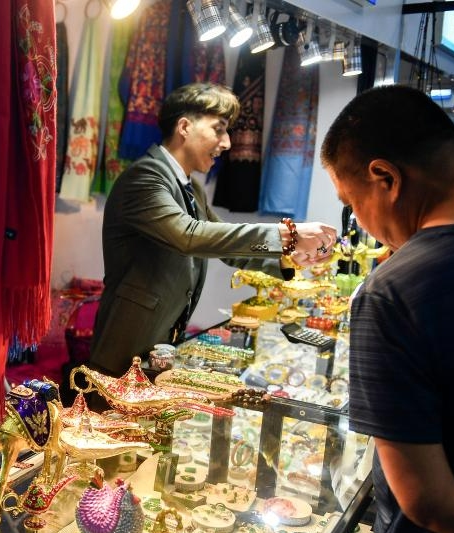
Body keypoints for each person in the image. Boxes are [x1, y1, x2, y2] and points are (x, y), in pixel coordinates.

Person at [321, 85, 454, 533]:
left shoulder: (395, 290)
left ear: (384, 177)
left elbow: (428, 501)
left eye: (349, 201)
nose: (359, 222)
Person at [89, 83, 338, 376]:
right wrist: (286, 234)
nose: (228, 143)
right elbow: (189, 236)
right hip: (126, 346)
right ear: (184, 127)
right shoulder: (144, 178)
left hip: (160, 344)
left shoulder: (190, 186)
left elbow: (225, 243)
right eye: (219, 129)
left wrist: (287, 257)